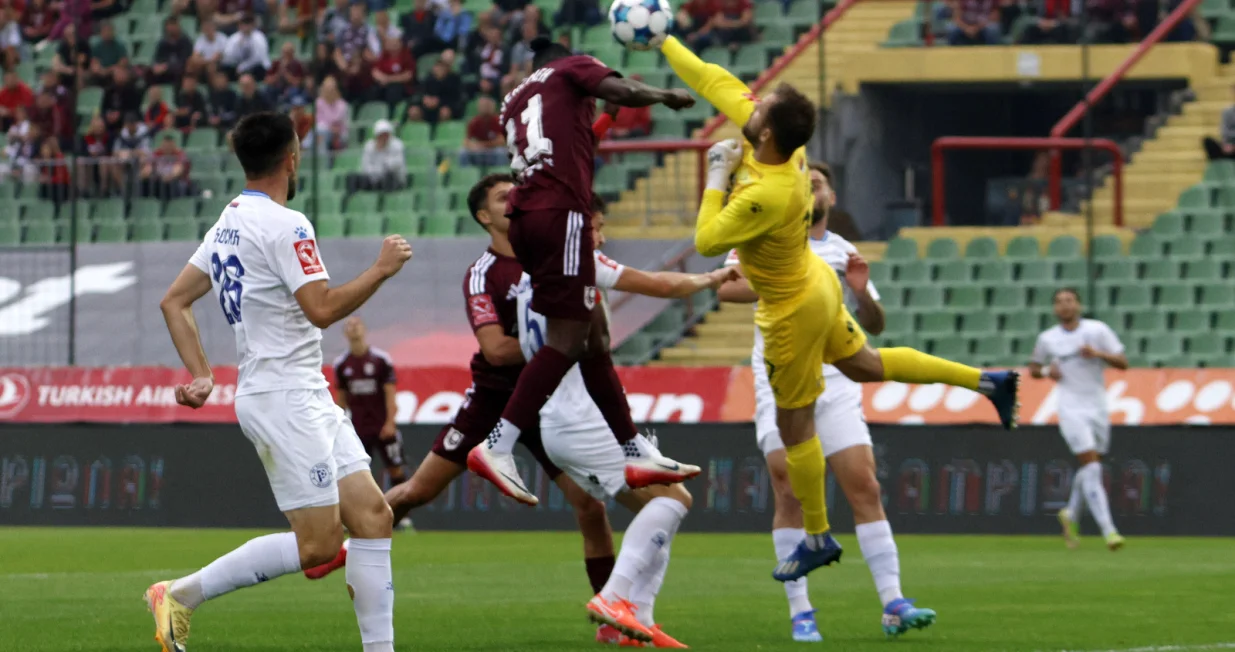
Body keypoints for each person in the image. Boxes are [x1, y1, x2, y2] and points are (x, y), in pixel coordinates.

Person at [658, 34, 1020, 585]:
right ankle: (989, 381)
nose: (755, 103)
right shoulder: (788, 147)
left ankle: (819, 536)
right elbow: (712, 77)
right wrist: (665, 41)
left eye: (764, 106)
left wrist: (714, 175)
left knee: (795, 425)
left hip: (789, 310)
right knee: (866, 367)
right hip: (817, 284)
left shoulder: (767, 194)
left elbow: (708, 241)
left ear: (768, 132)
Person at [147, 111, 411, 652]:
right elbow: (321, 308)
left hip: (300, 390)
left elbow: (174, 300)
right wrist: (381, 269)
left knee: (373, 516)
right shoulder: (287, 224)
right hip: (281, 396)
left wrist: (203, 375)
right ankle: (179, 594)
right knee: (319, 546)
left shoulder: (228, 221)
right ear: (292, 158)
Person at [466, 37, 698, 506]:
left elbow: (577, 140)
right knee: (568, 340)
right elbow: (624, 90)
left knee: (592, 336)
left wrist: (605, 117)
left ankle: (634, 450)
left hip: (527, 218)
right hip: (562, 215)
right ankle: (498, 445)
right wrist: (664, 96)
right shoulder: (572, 67)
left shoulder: (515, 99)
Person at [718, 162, 936, 641]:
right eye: (804, 182)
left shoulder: (844, 251)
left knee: (865, 486)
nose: (811, 187)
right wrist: (783, 279)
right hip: (776, 373)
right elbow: (726, 286)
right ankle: (801, 610)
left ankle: (893, 602)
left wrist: (861, 294)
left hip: (836, 379)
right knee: (788, 489)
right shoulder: (766, 240)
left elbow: (875, 327)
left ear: (832, 197)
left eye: (818, 182)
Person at [1029, 288, 1128, 552]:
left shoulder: (1097, 331)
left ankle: (1071, 513)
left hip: (1096, 406)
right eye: (1059, 302)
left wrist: (1098, 354)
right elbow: (1034, 368)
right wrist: (1050, 370)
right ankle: (1110, 531)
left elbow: (1122, 362)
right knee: (1092, 467)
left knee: (1090, 468)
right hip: (1069, 407)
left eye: (1069, 301)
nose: (1065, 306)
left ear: (1079, 305)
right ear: (1054, 309)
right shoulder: (1048, 338)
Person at [332, 316, 409, 493]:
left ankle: (403, 517)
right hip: (359, 430)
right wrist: (338, 428)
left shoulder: (381, 360)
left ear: (364, 330)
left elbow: (391, 395)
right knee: (358, 473)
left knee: (395, 469)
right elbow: (341, 401)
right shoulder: (342, 365)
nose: (354, 328)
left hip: (383, 427)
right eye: (349, 325)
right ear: (345, 333)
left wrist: (390, 423)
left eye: (357, 324)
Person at [350, 118, 405, 191]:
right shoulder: (369, 146)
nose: (383, 137)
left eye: (386, 134)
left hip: (393, 179)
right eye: (381, 135)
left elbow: (396, 164)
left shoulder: (397, 145)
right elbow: (365, 165)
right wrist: (374, 173)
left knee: (388, 177)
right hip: (374, 178)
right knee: (352, 177)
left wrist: (382, 153)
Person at [408, 54, 460, 124]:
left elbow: (455, 99)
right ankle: (421, 132)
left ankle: (441, 132)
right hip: (427, 107)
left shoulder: (454, 80)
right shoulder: (428, 79)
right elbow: (419, 93)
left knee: (445, 112)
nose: (438, 70)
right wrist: (424, 99)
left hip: (445, 106)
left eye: (442, 68)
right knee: (413, 111)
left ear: (447, 69)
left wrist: (439, 101)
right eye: (437, 67)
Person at [458, 95, 504, 167]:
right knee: (463, 152)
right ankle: (466, 175)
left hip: (492, 152)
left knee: (500, 152)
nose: (485, 107)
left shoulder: (498, 120)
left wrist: (483, 145)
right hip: (479, 152)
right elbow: (466, 141)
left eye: (487, 105)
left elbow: (502, 141)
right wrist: (473, 146)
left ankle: (499, 174)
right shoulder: (474, 122)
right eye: (482, 105)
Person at [222, 15, 272, 80]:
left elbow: (258, 58)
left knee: (258, 70)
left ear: (252, 25)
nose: (245, 26)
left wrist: (243, 67)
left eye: (248, 23)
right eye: (243, 23)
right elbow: (229, 56)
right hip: (238, 66)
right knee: (225, 70)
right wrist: (238, 46)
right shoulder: (234, 38)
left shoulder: (259, 37)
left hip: (257, 66)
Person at [150, 18, 193, 85]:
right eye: (169, 26)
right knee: (149, 73)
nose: (171, 29)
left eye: (173, 25)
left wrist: (166, 67)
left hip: (180, 73)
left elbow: (183, 62)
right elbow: (156, 58)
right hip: (164, 72)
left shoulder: (185, 42)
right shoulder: (163, 42)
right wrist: (156, 66)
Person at [1203, 84, 1235, 161]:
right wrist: (1228, 144)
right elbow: (1224, 132)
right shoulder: (1227, 112)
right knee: (1208, 141)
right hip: (1229, 145)